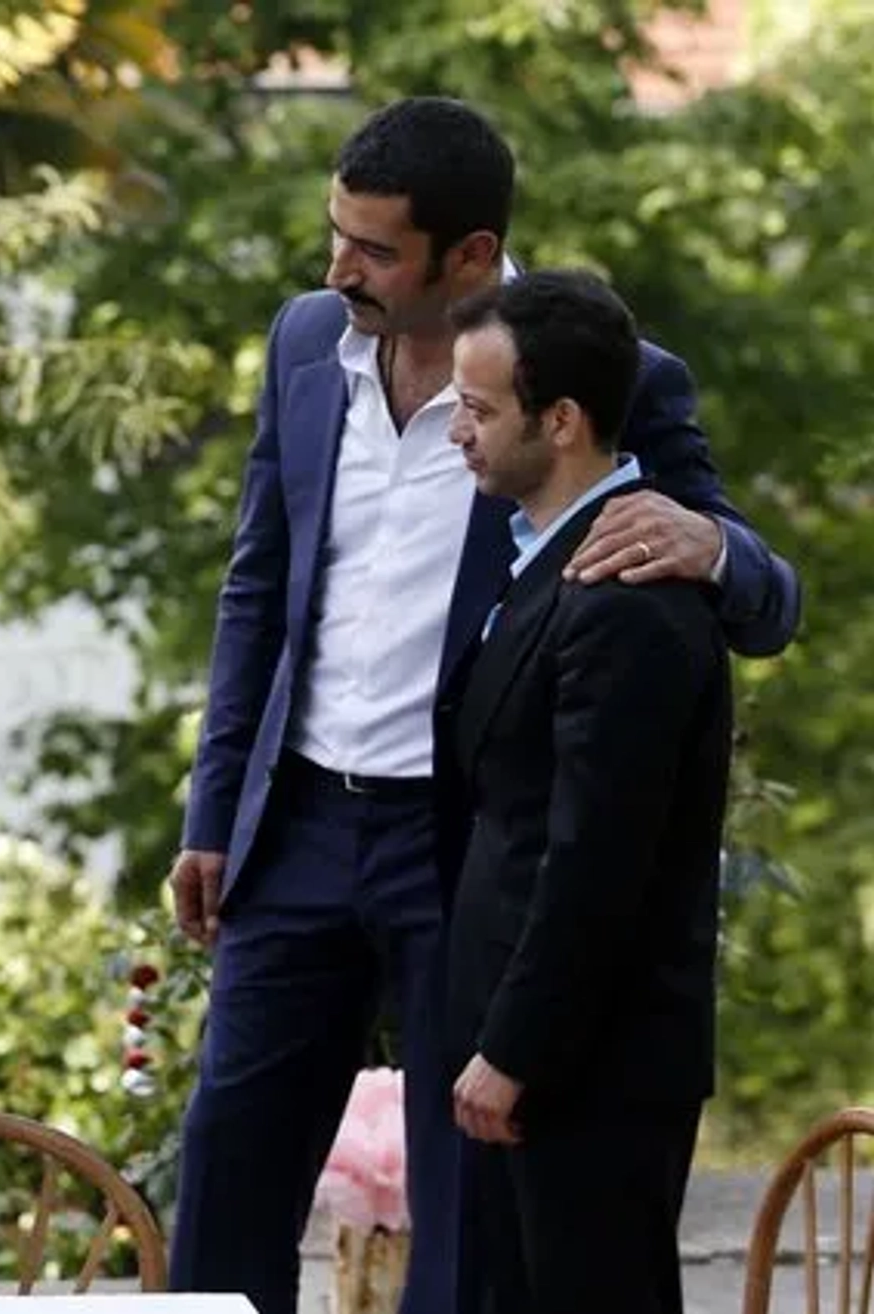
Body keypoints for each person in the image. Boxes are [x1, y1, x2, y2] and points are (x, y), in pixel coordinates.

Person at [164, 98, 799, 1314]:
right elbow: (261, 586)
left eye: (373, 249)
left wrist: (712, 545)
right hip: (294, 825)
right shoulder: (305, 344)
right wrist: (216, 808)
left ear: (470, 254)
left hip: (458, 845)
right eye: (335, 235)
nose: (335, 268)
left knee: (468, 1225)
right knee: (228, 1179)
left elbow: (766, 603)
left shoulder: (597, 374)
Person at [443, 270, 728, 1314]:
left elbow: (595, 857)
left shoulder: (627, 597)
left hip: (587, 1074)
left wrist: (514, 1051)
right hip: (529, 1065)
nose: (458, 436)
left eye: (478, 412)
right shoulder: (547, 562)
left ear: (560, 420)